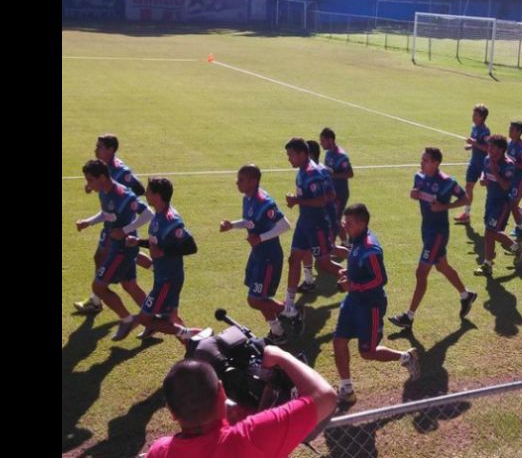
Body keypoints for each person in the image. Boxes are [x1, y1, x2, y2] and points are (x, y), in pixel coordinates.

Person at [145, 347, 337, 458]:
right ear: (221, 391)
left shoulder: (159, 452)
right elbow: (325, 396)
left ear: (172, 411)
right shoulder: (251, 437)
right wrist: (278, 354)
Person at [334, 204, 420, 406]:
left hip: (369, 306)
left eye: (350, 223)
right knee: (339, 341)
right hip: (352, 301)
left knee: (367, 352)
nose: (345, 227)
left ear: (362, 224)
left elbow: (380, 279)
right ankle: (347, 389)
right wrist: (348, 274)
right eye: (345, 222)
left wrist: (353, 284)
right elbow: (358, 265)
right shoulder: (356, 238)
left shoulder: (371, 249)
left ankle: (406, 357)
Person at [388, 148, 477, 330]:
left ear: (436, 163)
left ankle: (409, 316)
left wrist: (445, 206)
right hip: (426, 229)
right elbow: (417, 191)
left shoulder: (447, 182)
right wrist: (414, 193)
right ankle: (466, 295)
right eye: (422, 159)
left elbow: (465, 199)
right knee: (442, 266)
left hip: (438, 233)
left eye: (425, 160)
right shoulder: (419, 177)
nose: (421, 163)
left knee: (421, 273)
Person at [115, 177, 203, 342]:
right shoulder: (158, 215)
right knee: (171, 318)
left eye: (148, 191)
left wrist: (163, 251)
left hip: (168, 279)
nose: (145, 194)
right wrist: (138, 242)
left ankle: (193, 334)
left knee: (145, 318)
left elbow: (191, 246)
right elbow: (157, 243)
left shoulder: (171, 220)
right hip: (162, 276)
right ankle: (192, 347)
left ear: (157, 195)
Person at [75, 159, 153, 338]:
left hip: (123, 249)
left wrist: (125, 230)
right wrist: (89, 222)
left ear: (102, 177)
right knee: (130, 285)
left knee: (99, 286)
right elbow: (107, 213)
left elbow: (148, 212)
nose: (88, 185)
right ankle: (154, 320)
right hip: (118, 247)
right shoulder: (104, 191)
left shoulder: (123, 195)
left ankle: (127, 320)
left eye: (90, 180)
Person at [220, 165, 296, 343]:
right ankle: (278, 332)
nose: (237, 183)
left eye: (241, 180)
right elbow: (250, 222)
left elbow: (285, 225)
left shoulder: (264, 202)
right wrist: (232, 225)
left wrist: (261, 238)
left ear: (253, 181)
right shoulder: (248, 198)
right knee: (261, 298)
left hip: (269, 257)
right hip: (258, 255)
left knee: (255, 300)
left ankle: (291, 312)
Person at [284, 138, 344, 324]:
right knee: (294, 259)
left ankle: (359, 283)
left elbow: (321, 201)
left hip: (317, 224)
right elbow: (331, 195)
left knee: (324, 265)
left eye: (291, 155)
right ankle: (288, 305)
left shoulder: (313, 173)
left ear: (303, 154)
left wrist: (296, 201)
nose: (289, 159)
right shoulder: (304, 171)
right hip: (305, 223)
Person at [297, 141, 349, 293]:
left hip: (322, 220)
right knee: (306, 249)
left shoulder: (319, 172)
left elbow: (330, 196)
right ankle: (308, 280)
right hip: (312, 219)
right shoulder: (317, 171)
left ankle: (357, 259)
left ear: (309, 155)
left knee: (326, 255)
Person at [473, 135, 522, 276]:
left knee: (490, 232)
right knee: (491, 232)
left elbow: (506, 186)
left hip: (502, 204)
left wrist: (495, 171)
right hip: (490, 201)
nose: (489, 149)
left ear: (501, 149)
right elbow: (485, 173)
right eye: (488, 146)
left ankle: (488, 264)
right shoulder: (487, 159)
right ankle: (515, 248)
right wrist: (483, 179)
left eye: (492, 146)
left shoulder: (508, 165)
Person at [454, 104, 490, 225]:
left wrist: (474, 143)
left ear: (482, 117)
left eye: (476, 115)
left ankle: (513, 209)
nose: (473, 117)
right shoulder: (474, 127)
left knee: (491, 189)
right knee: (469, 186)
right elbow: (476, 144)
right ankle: (466, 214)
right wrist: (470, 146)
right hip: (473, 163)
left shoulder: (485, 132)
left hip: (483, 164)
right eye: (473, 114)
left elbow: (488, 148)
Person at [320, 128, 354, 246]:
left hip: (340, 193)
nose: (321, 143)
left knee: (334, 220)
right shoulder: (328, 153)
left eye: (323, 141)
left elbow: (350, 174)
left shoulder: (341, 156)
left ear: (330, 140)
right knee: (335, 219)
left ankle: (331, 246)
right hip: (332, 192)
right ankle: (346, 242)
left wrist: (333, 174)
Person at [505, 121, 522, 241]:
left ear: (519, 132)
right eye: (509, 128)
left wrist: (512, 163)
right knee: (510, 202)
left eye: (512, 129)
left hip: (520, 179)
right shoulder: (509, 143)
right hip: (511, 178)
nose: (509, 131)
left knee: (512, 204)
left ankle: (519, 228)